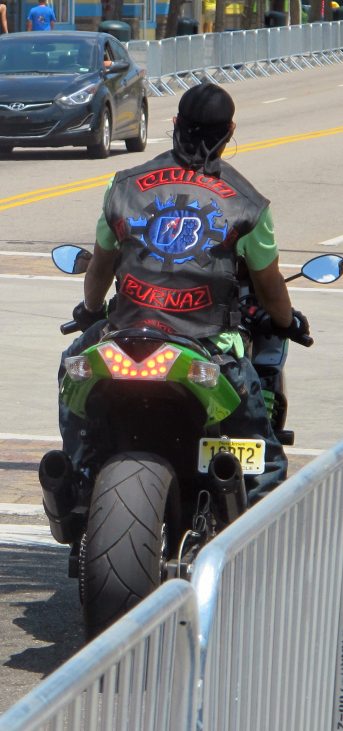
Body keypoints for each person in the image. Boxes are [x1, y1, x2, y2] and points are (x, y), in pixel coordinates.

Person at [60, 83, 310, 503]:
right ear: (229, 133)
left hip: (125, 335)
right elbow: (270, 288)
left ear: (175, 124)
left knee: (72, 374)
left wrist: (89, 311)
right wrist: (287, 323)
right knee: (264, 467)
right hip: (208, 344)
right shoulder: (249, 205)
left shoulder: (123, 186)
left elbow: (101, 267)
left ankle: (78, 471)